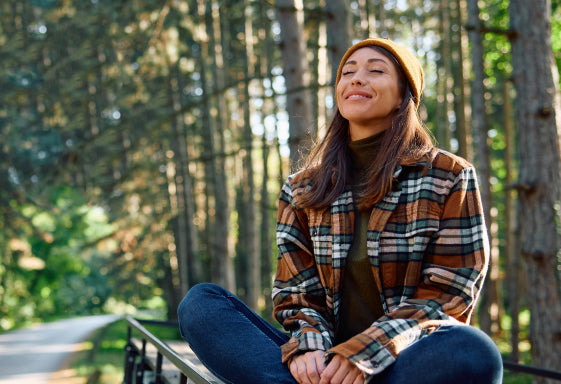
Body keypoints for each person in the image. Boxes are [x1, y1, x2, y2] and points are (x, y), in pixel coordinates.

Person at [177, 38, 503, 384]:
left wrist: (363, 354)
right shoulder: (302, 189)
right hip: (320, 371)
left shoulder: (449, 176)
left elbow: (447, 295)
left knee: (473, 349)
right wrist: (310, 349)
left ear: (403, 96)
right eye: (347, 73)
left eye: (375, 71)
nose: (356, 79)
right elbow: (299, 294)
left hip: (401, 366)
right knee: (201, 305)